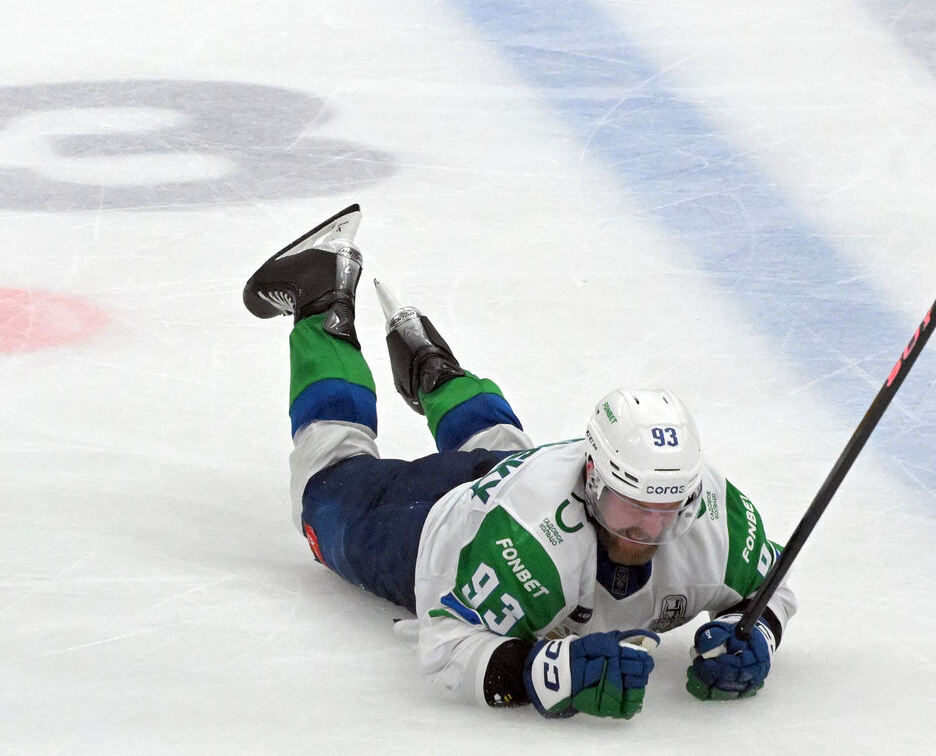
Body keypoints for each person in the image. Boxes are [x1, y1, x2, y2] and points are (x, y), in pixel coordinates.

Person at [243, 204, 797, 719]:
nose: (649, 531)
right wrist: (539, 675)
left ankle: (433, 368)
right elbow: (446, 644)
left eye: (669, 511)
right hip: (434, 523)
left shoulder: (717, 521)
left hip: (524, 480)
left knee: (510, 453)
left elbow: (773, 584)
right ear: (593, 480)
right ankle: (322, 298)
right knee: (325, 485)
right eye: (631, 508)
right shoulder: (529, 546)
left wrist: (756, 631)